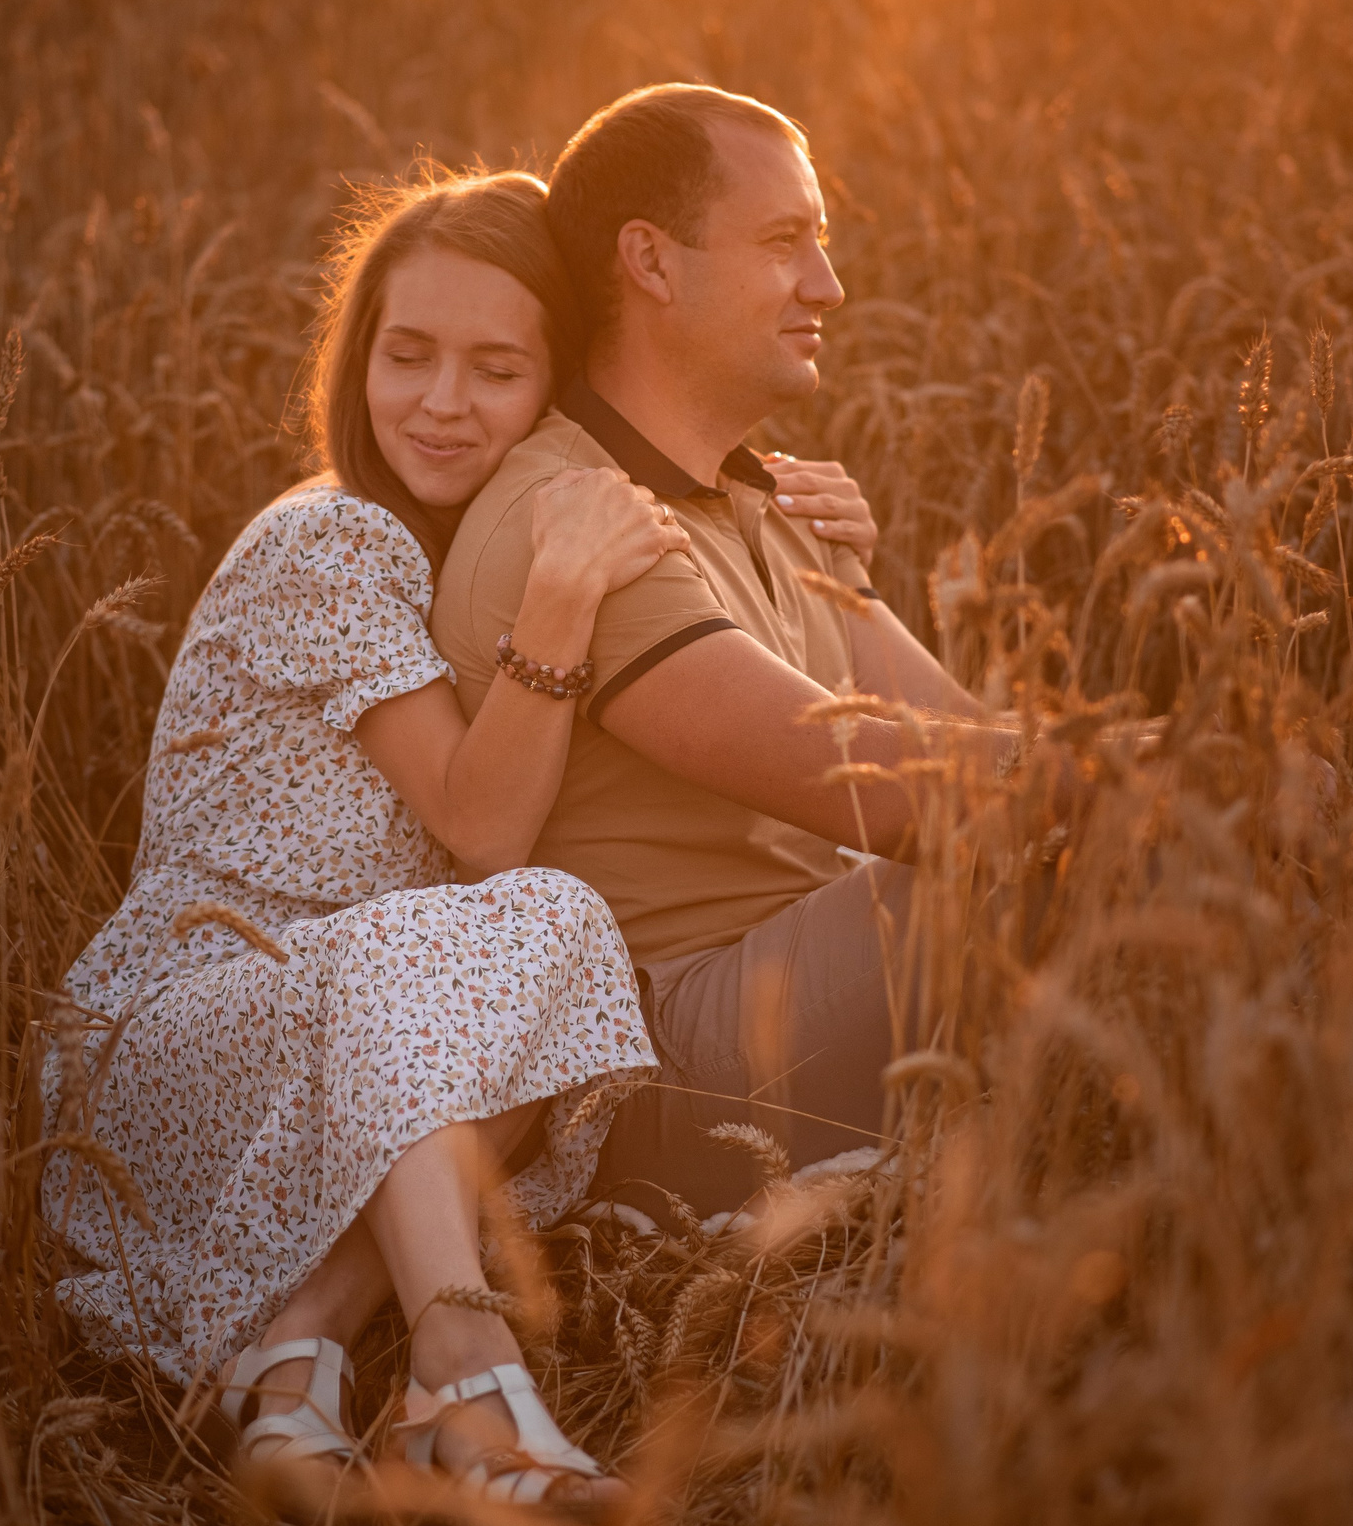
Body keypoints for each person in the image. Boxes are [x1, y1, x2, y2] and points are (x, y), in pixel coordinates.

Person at [41, 171, 702, 1512]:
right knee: (498, 921)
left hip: (356, 1041)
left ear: (552, 387)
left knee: (557, 941)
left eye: (496, 368)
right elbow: (480, 824)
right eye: (408, 354)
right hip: (182, 1044)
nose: (442, 402)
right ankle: (464, 1363)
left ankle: (294, 1358)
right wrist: (567, 591)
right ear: (358, 359)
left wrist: (812, 543)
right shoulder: (333, 540)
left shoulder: (449, 553)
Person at [433, 86, 1017, 1217]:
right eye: (784, 242)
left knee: (1089, 817)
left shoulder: (762, 490)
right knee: (1054, 843)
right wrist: (1186, 779)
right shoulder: (580, 520)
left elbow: (971, 734)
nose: (826, 287)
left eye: (823, 244)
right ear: (650, 262)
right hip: (673, 1066)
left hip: (803, 983)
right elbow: (902, 800)